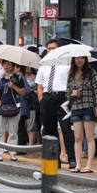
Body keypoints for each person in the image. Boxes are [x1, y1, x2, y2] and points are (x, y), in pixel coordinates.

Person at [36, 39, 76, 169]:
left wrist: (70, 99)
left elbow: (73, 83)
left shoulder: (68, 64)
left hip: (63, 98)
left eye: (54, 48)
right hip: (48, 98)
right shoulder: (43, 65)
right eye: (49, 48)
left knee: (66, 129)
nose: (51, 51)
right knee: (49, 130)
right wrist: (42, 101)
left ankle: (72, 159)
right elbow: (40, 86)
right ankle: (53, 159)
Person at [66, 57, 97, 174]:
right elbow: (67, 93)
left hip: (88, 107)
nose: (79, 60)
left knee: (89, 136)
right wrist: (72, 94)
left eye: (82, 58)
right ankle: (78, 164)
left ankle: (89, 165)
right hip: (76, 108)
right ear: (73, 60)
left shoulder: (91, 72)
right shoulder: (71, 73)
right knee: (77, 137)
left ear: (85, 59)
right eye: (77, 58)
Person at [0, 60, 26, 161]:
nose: (6, 66)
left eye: (9, 64)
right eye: (5, 64)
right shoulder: (0, 80)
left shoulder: (18, 78)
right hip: (2, 107)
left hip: (14, 107)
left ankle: (13, 152)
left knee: (13, 132)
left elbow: (23, 92)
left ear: (13, 66)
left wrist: (14, 86)